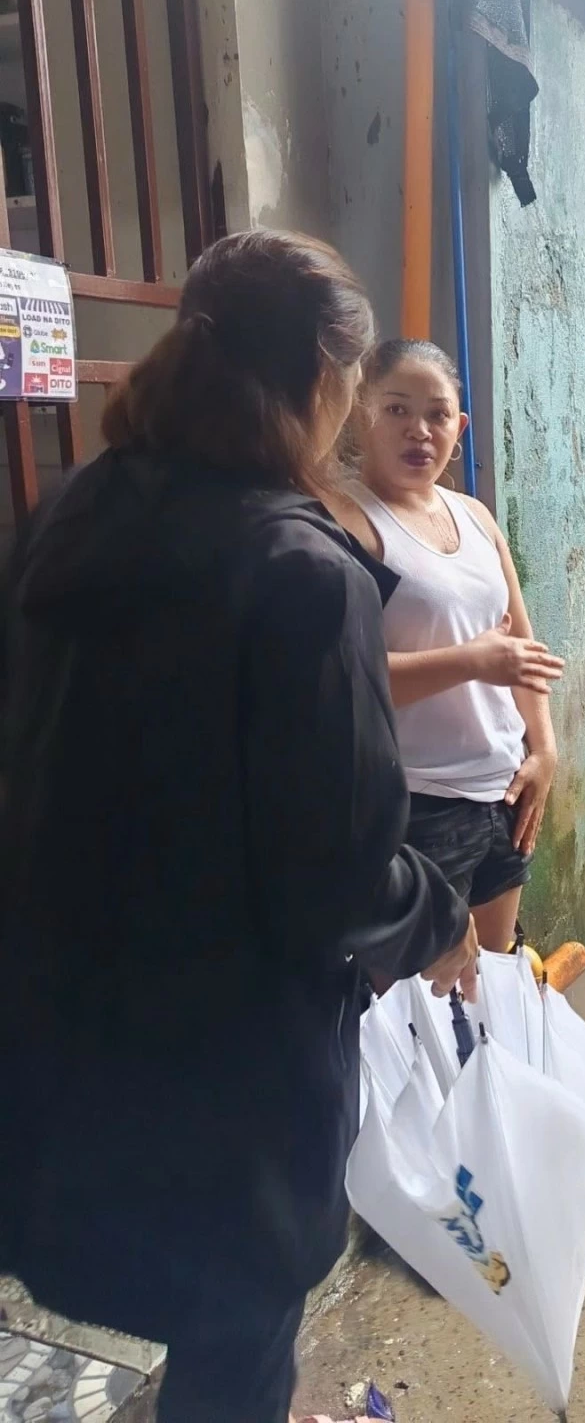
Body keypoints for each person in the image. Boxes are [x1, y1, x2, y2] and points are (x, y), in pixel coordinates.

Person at [0, 232, 478, 1423]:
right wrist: (440, 914)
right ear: (323, 379)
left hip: (61, 1022)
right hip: (225, 1069)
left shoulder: (74, 510)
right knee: (234, 1339)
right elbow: (340, 872)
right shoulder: (301, 571)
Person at [329, 337, 562, 954]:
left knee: (496, 974)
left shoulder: (476, 517)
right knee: (419, 992)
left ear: (459, 427)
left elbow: (523, 647)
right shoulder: (347, 523)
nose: (419, 431)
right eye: (397, 409)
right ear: (361, 413)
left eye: (436, 415)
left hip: (504, 791)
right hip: (417, 802)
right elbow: (345, 679)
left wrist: (544, 751)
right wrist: (472, 661)